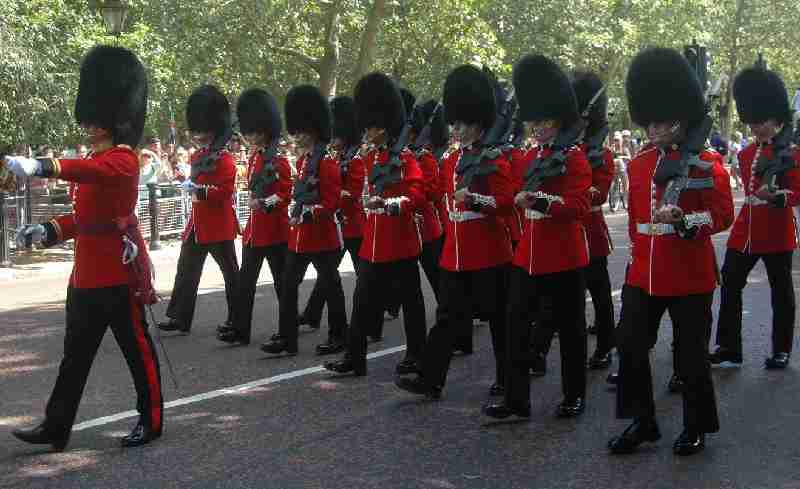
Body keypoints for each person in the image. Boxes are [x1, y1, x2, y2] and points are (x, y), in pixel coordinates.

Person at [7, 45, 163, 450]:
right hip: (85, 276)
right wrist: (46, 231)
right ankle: (56, 426)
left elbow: (90, 172)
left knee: (137, 352)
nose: (90, 124)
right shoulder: (97, 157)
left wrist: (42, 166)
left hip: (116, 274)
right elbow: (84, 219)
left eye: (98, 118)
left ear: (117, 119)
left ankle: (152, 419)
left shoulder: (123, 161)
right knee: (73, 357)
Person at [608, 47, 733, 456]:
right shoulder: (642, 163)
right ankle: (642, 422)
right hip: (643, 273)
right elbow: (636, 224)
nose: (654, 129)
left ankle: (695, 426)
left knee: (691, 357)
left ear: (682, 119)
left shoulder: (707, 163)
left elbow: (722, 215)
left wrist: (685, 221)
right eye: (651, 121)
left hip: (689, 273)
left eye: (663, 122)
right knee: (629, 345)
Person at [395, 64, 512, 400]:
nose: (457, 129)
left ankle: (507, 380)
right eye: (455, 123)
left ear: (479, 123)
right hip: (456, 252)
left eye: (463, 123)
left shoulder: (495, 159)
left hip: (489, 251)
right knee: (446, 318)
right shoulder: (450, 161)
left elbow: (505, 202)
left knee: (498, 322)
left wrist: (475, 199)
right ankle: (431, 379)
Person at [484, 54, 591, 420]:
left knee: (572, 331)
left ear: (558, 121)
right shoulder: (529, 158)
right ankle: (517, 399)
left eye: (544, 122)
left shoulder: (574, 158)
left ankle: (574, 395)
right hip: (528, 254)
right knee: (516, 329)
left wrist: (542, 201)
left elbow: (578, 205)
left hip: (564, 255)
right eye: (534, 122)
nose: (538, 128)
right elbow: (513, 190)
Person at [324, 72, 427, 377]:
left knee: (411, 301)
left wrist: (390, 205)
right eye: (367, 127)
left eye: (375, 128)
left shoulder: (405, 158)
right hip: (374, 241)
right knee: (362, 299)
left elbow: (417, 195)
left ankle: (417, 354)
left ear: (388, 127)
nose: (370, 133)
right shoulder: (371, 158)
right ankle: (355, 358)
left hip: (401, 238)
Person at [710, 64, 800, 369]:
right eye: (752, 123)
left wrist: (777, 197)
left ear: (776, 119)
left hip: (776, 230)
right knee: (730, 283)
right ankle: (729, 349)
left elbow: (797, 192)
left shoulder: (791, 153)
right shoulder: (748, 153)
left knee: (781, 292)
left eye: (762, 122)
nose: (756, 128)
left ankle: (781, 349)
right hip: (745, 229)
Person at [529, 70, 617, 373]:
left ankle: (606, 344)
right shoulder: (555, 152)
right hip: (561, 232)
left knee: (599, 292)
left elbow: (598, 194)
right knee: (553, 300)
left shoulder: (600, 155)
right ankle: (537, 352)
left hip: (590, 232)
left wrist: (571, 195)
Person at [260, 85, 348, 356]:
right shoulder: (303, 163)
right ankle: (287, 338)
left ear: (312, 131)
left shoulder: (327, 163)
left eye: (300, 131)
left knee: (331, 287)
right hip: (300, 237)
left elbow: (332, 203)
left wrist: (308, 212)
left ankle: (338, 336)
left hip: (322, 236)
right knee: (288, 286)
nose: (296, 136)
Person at [157, 85, 240, 335]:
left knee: (232, 277)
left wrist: (197, 190)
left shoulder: (224, 159)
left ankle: (238, 319)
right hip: (197, 225)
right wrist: (185, 180)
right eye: (197, 130)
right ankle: (180, 317)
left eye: (203, 130)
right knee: (186, 271)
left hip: (218, 224)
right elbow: (196, 181)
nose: (199, 135)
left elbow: (225, 192)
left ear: (214, 129)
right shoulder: (197, 156)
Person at [217, 88, 290, 346]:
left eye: (254, 133)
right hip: (254, 231)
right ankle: (239, 329)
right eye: (248, 133)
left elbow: (285, 195)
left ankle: (287, 332)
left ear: (265, 131)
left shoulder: (278, 161)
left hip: (275, 232)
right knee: (244, 284)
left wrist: (265, 204)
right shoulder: (254, 158)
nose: (249, 138)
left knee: (284, 286)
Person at [297, 95, 366, 355]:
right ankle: (313, 314)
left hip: (354, 225)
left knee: (365, 278)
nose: (334, 139)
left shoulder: (356, 159)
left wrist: (333, 195)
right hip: (338, 226)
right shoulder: (332, 158)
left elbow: (355, 192)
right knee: (328, 275)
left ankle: (373, 320)